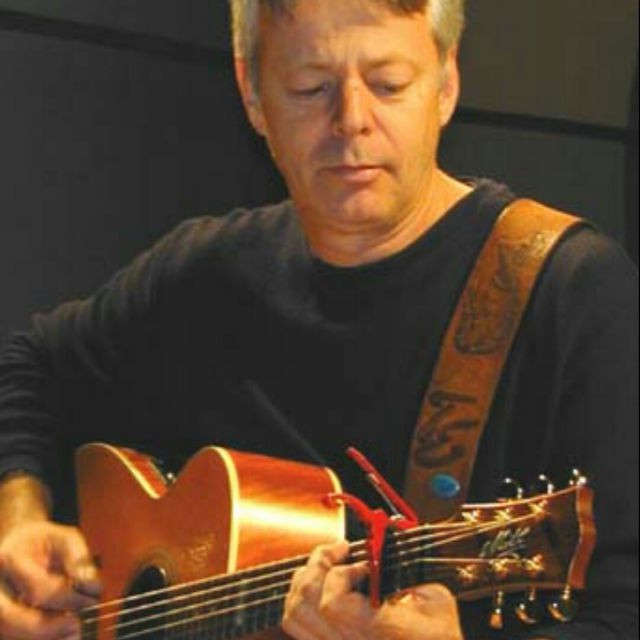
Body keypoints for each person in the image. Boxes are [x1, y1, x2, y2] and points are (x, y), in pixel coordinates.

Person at [0, 1, 637, 638]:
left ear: (446, 85)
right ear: (253, 95)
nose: (351, 120)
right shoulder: (204, 275)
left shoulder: (570, 292)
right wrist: (19, 516)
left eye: (389, 84)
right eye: (311, 88)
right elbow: (28, 370)